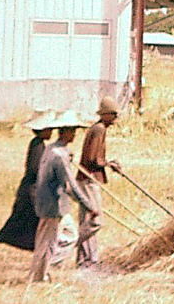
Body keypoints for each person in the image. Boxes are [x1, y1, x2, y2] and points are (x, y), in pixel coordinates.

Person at [27, 111, 97, 284]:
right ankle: (41, 275)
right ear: (64, 132)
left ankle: (40, 272)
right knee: (53, 240)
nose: (73, 134)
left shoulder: (52, 149)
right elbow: (71, 185)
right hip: (52, 204)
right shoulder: (59, 155)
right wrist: (88, 206)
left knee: (51, 239)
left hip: (44, 201)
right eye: (71, 131)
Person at [0, 111, 54, 257]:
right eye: (49, 129)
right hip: (31, 192)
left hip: (30, 190)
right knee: (26, 221)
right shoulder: (38, 145)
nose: (51, 132)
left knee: (19, 221)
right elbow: (35, 169)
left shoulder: (39, 145)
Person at [75, 96, 122, 268]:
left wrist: (108, 163)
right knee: (94, 221)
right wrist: (108, 164)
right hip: (89, 179)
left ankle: (87, 259)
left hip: (88, 179)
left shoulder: (99, 128)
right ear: (106, 115)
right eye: (114, 115)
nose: (116, 118)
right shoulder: (99, 129)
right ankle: (78, 252)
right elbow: (93, 159)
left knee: (88, 220)